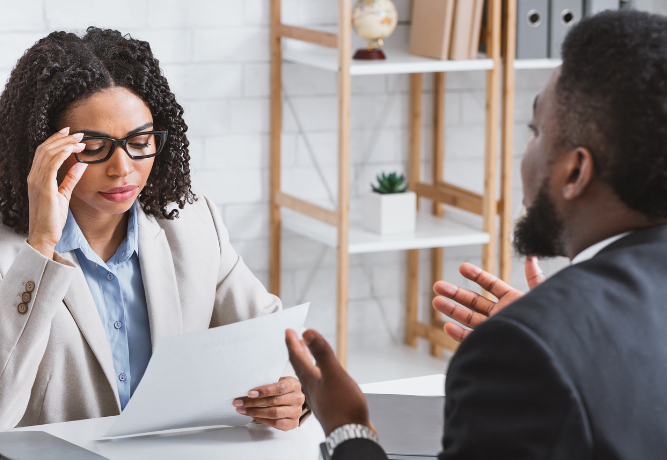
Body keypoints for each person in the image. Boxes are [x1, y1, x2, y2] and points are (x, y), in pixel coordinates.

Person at [285, 10, 667, 460]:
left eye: (535, 132)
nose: (525, 155)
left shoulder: (522, 348)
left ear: (576, 171)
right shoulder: (542, 339)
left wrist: (348, 431)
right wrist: (555, 329)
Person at [0, 28, 306, 433]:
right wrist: (41, 246)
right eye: (94, 148)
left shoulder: (194, 225)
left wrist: (292, 393)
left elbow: (280, 346)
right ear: (42, 152)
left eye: (140, 141)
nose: (122, 168)